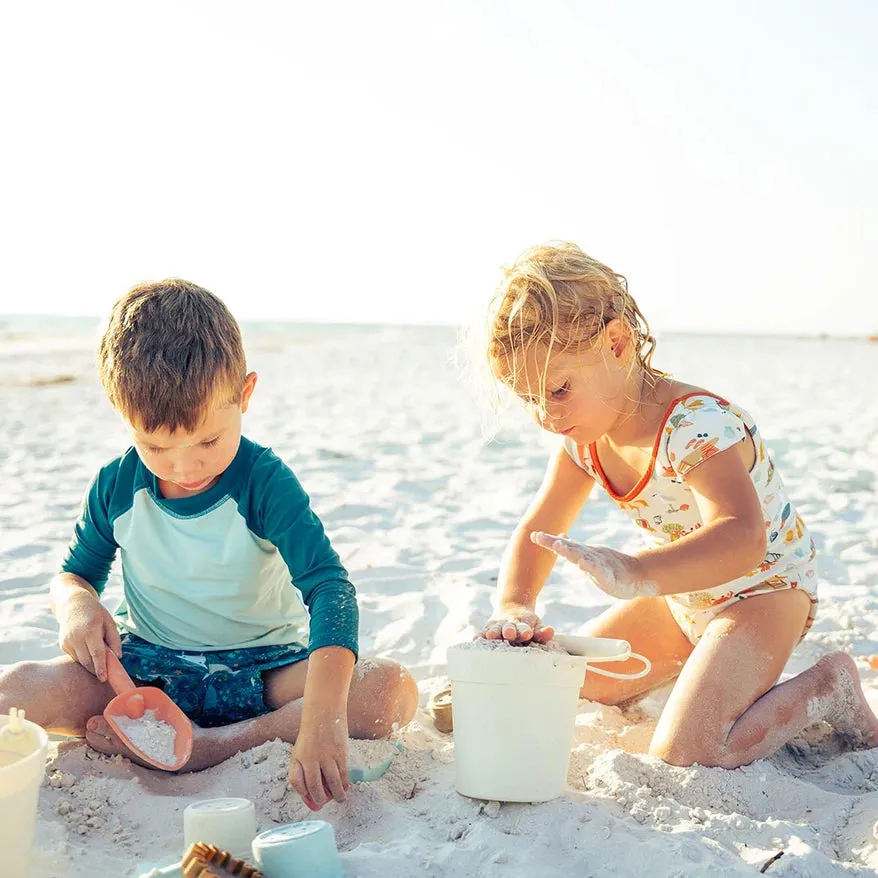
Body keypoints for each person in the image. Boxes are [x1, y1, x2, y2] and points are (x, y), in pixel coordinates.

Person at [0, 279, 418, 810]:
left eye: (207, 440)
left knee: (389, 690)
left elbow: (331, 588)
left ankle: (211, 746)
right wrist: (78, 605)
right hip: (144, 675)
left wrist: (323, 720)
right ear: (119, 410)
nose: (185, 465)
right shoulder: (116, 485)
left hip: (263, 675)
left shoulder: (263, 482)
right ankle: (167, 735)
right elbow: (73, 575)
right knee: (20, 687)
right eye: (155, 445)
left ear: (244, 395)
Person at [476, 241, 878, 767]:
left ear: (617, 343)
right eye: (528, 398)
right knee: (571, 681)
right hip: (682, 596)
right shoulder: (581, 439)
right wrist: (514, 604)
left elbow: (741, 535)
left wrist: (638, 571)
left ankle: (831, 685)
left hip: (762, 589)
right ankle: (701, 660)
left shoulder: (696, 426)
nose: (545, 415)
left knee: (687, 750)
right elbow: (538, 526)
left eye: (557, 390)